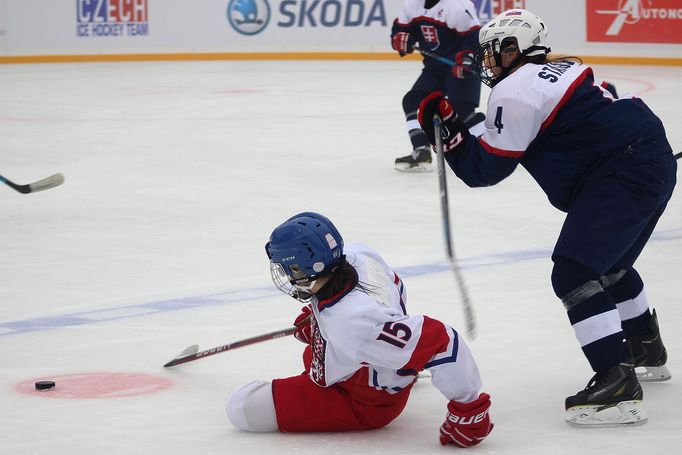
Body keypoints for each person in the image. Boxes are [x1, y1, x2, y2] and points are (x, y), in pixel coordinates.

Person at [416, 8, 675, 427]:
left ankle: (617, 381)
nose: (487, 62)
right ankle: (645, 346)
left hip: (622, 172)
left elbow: (485, 170)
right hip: (648, 158)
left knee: (574, 272)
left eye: (493, 52)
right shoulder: (558, 68)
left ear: (516, 48)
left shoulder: (515, 89)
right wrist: (455, 124)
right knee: (609, 265)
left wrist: (448, 134)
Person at [227, 212, 493, 447]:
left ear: (304, 266)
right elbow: (391, 294)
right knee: (314, 358)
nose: (286, 275)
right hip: (366, 362)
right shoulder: (358, 255)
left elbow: (440, 340)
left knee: (242, 407)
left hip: (365, 403)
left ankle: (396, 367)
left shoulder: (351, 323)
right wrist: (319, 320)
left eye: (289, 268)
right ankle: (395, 363)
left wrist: (469, 408)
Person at [391, 0, 483, 172]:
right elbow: (400, 29)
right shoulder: (412, 5)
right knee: (413, 101)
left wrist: (467, 58)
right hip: (434, 69)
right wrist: (401, 39)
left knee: (461, 114)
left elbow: (474, 35)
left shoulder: (456, 6)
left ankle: (498, 144)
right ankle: (421, 150)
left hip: (459, 66)